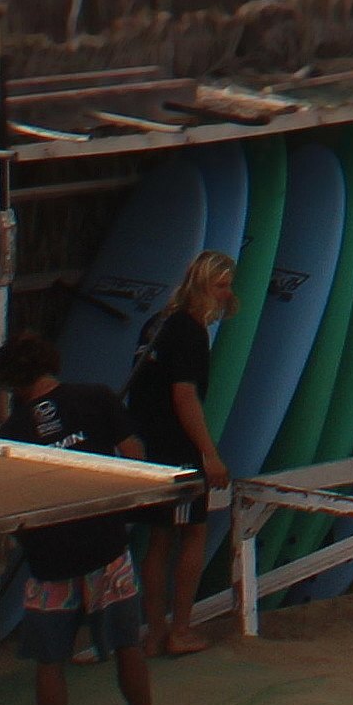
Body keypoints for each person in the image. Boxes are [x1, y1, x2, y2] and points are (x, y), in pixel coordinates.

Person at [0, 332, 186, 705]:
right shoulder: (96, 398)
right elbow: (134, 456)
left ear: (12, 383)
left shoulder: (12, 432)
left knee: (50, 662)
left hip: (49, 559)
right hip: (105, 548)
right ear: (50, 362)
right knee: (126, 646)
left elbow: (11, 501)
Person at [125, 248, 239, 662]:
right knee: (193, 531)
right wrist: (209, 454)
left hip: (149, 440)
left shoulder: (157, 324)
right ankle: (180, 629)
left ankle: (155, 630)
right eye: (221, 286)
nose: (225, 295)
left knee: (159, 537)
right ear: (203, 286)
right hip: (177, 446)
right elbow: (184, 395)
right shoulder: (190, 331)